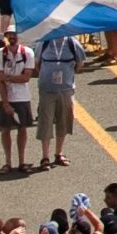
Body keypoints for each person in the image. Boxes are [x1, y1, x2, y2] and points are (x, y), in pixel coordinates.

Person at [0, 22, 38, 172]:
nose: (12, 37)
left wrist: (7, 77)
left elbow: (26, 78)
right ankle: (8, 162)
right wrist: (5, 103)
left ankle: (22, 161)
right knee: (5, 129)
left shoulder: (28, 53)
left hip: (22, 97)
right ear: (6, 37)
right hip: (5, 98)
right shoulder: (0, 54)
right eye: (9, 35)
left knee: (22, 128)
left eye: (14, 34)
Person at [35, 31, 83, 167]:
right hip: (47, 89)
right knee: (46, 121)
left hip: (66, 89)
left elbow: (80, 64)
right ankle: (45, 157)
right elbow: (37, 63)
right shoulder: (43, 41)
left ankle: (59, 153)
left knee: (64, 121)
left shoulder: (72, 42)